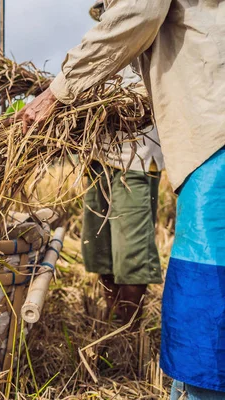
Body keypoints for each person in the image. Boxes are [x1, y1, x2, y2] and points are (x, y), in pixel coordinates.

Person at [14, 0, 225, 397]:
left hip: (189, 146)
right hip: (123, 158)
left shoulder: (136, 32)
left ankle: (137, 345)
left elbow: (140, 11)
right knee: (109, 256)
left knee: (197, 280)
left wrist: (56, 93)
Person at [81, 4, 164, 328]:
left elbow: (152, 93)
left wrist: (121, 103)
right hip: (98, 157)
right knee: (100, 248)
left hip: (138, 159)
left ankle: (129, 329)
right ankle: (111, 322)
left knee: (131, 253)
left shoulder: (151, 38)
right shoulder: (98, 42)